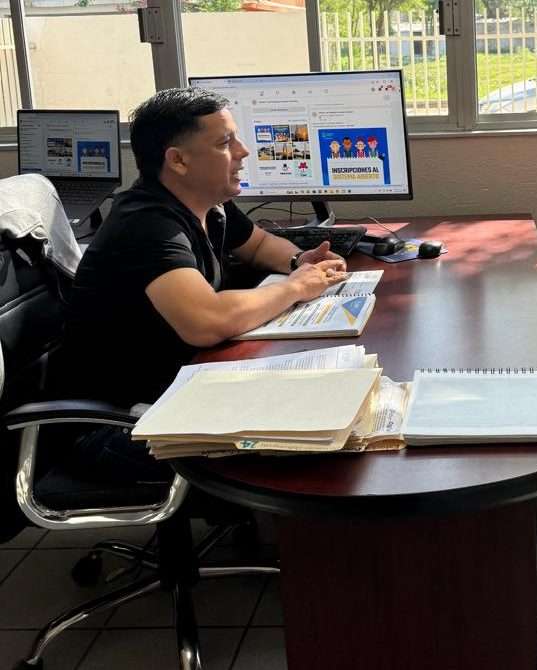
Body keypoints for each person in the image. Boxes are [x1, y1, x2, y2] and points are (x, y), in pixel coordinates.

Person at [51, 87, 348, 483]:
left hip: (179, 390)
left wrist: (299, 260)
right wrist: (295, 287)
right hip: (120, 424)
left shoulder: (208, 204)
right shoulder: (146, 225)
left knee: (323, 411)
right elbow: (205, 322)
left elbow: (258, 244)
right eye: (225, 143)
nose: (243, 152)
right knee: (307, 449)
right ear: (178, 160)